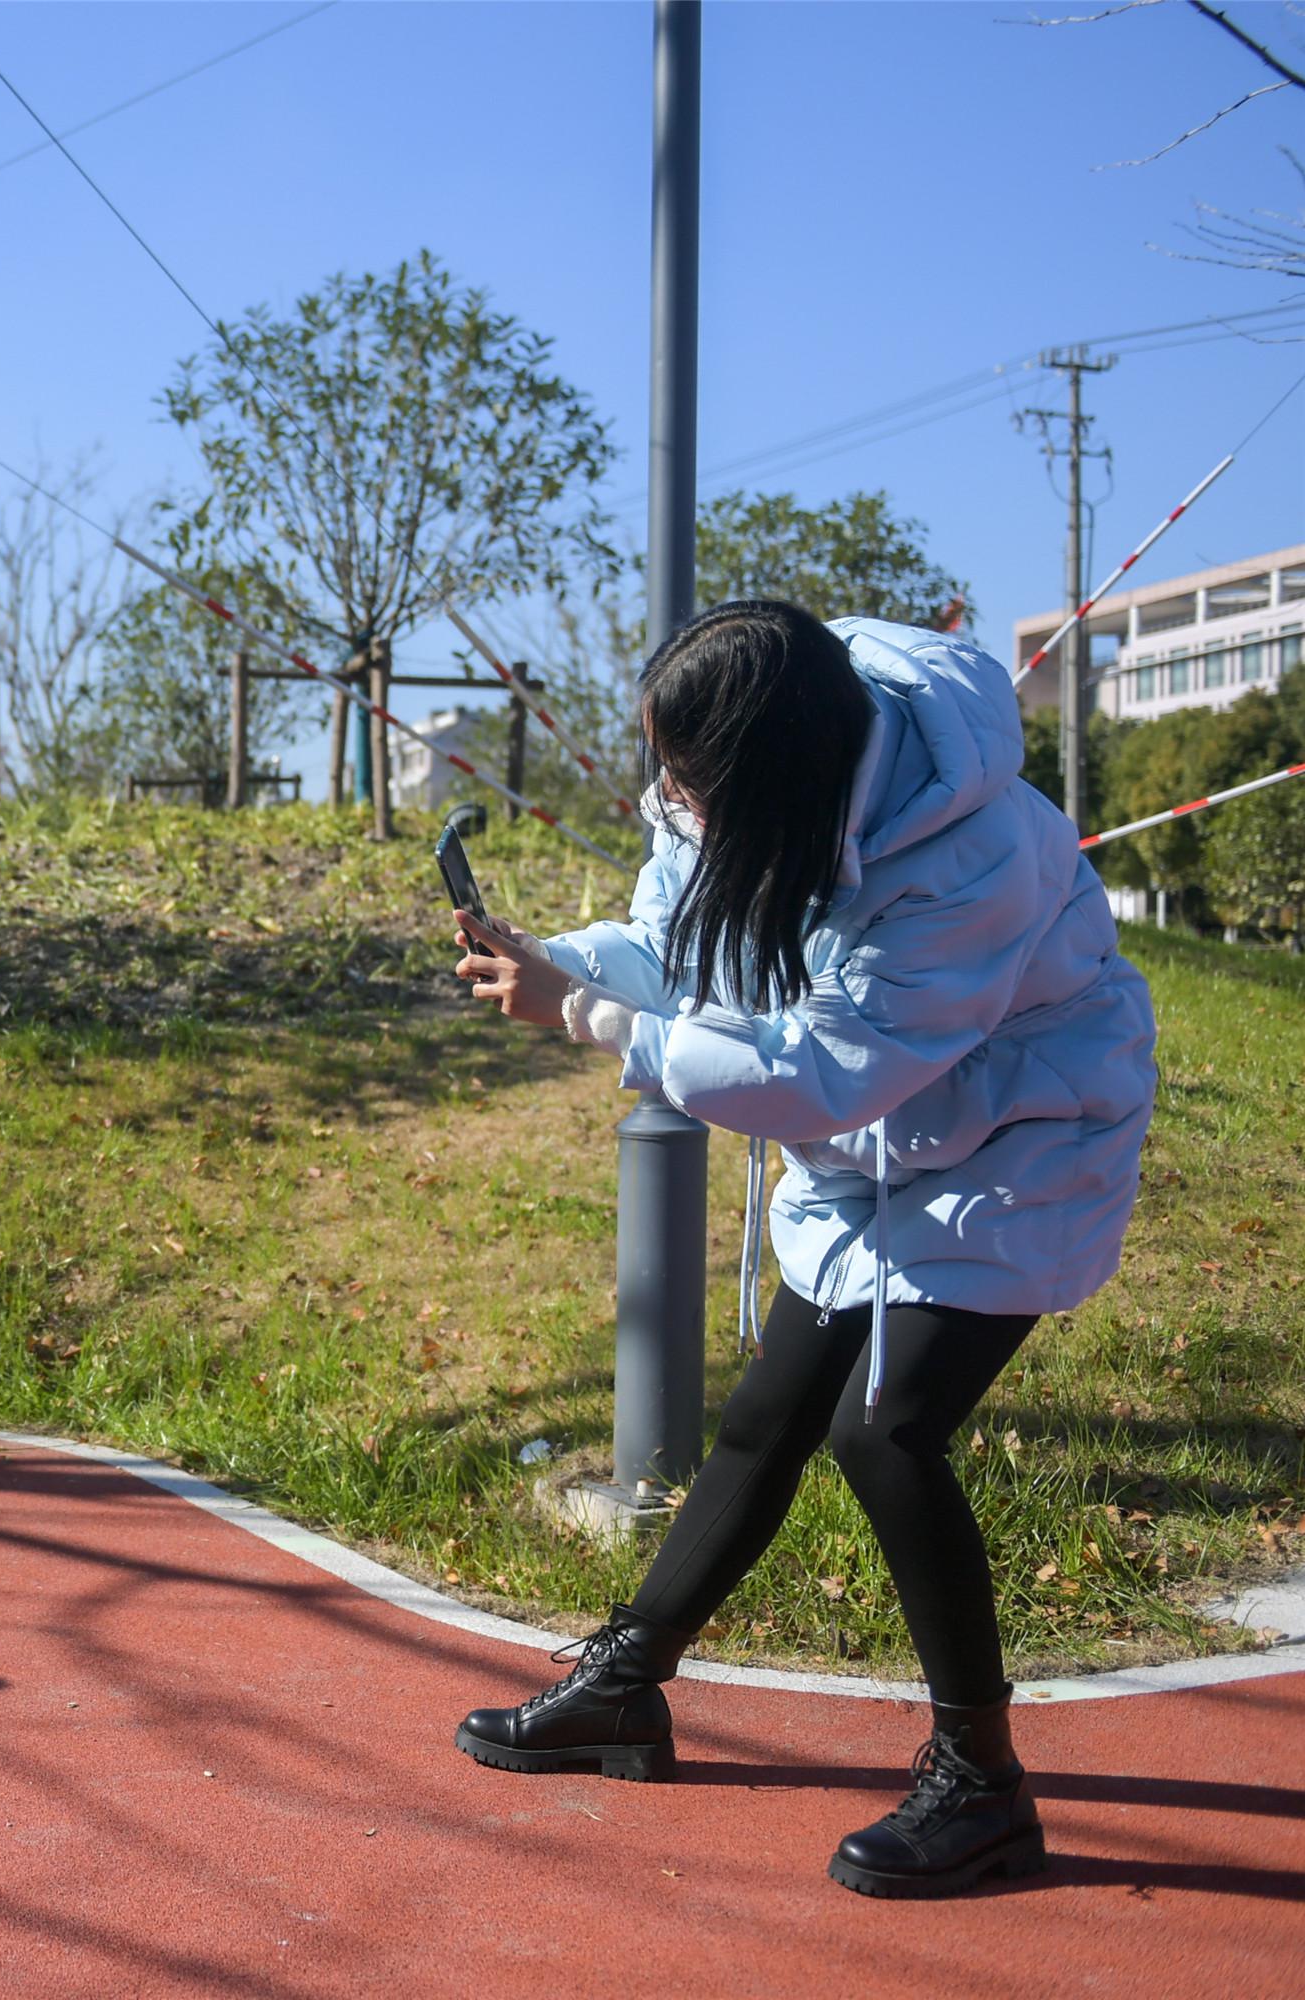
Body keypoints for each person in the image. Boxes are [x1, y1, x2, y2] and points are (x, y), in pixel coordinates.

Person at [446, 600, 1154, 1900]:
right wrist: (565, 961)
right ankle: (627, 1686)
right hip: (886, 1139)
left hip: (1026, 1137)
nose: (668, 793)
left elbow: (826, 1075)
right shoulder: (741, 768)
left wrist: (590, 1016)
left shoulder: (971, 852)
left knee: (883, 1432)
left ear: (774, 774)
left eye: (685, 775)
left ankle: (985, 1789)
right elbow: (678, 936)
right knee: (768, 1418)